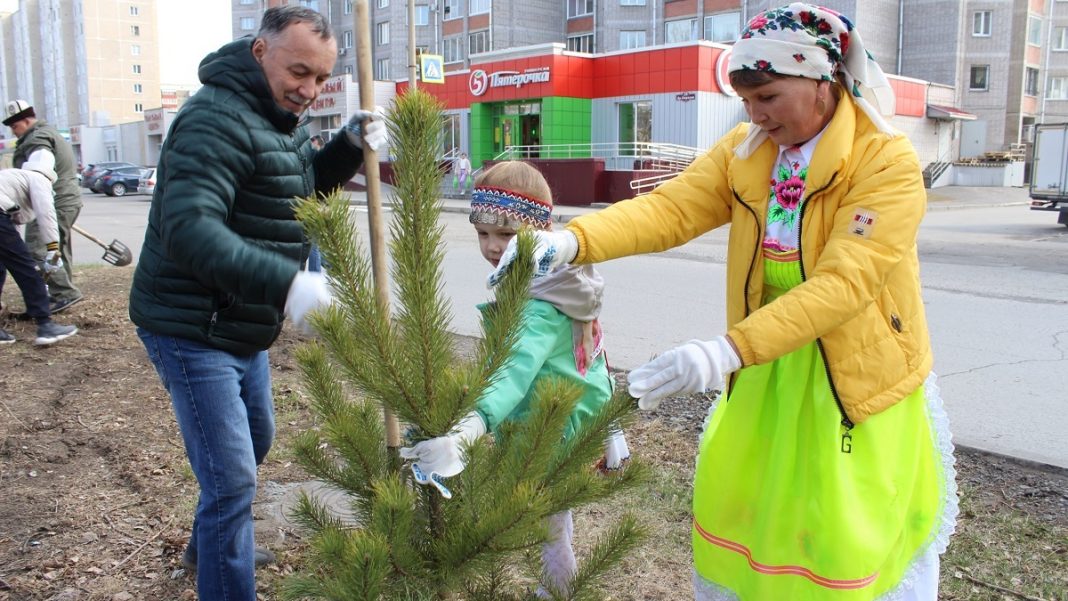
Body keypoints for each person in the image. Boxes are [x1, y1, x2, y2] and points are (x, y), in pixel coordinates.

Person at [488, 4, 957, 600]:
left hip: (850, 376)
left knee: (837, 522)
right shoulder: (747, 152)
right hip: (765, 367)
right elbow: (671, 209)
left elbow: (845, 284)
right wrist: (572, 241)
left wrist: (725, 351)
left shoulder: (884, 163)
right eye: (745, 98)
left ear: (821, 81)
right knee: (754, 507)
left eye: (768, 96)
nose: (755, 114)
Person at [127, 7, 386, 600]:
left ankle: (209, 545)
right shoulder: (211, 121)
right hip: (192, 324)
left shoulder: (278, 119)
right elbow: (191, 230)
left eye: (321, 79)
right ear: (259, 51)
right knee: (232, 477)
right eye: (299, 71)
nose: (308, 90)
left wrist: (346, 147)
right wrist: (287, 283)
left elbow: (288, 194)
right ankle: (225, 576)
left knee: (255, 441)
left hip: (239, 322)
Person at [400, 161, 628, 598]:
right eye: (482, 233)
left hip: (548, 430)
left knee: (549, 530)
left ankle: (557, 592)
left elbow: (513, 372)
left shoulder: (538, 305)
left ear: (539, 231)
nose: (491, 246)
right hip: (561, 419)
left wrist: (470, 428)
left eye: (505, 235)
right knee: (554, 521)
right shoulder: (561, 279)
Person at [3, 98, 84, 314]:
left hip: (53, 201)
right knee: (57, 248)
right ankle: (63, 293)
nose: (14, 132)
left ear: (27, 120)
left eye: (15, 126)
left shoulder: (37, 139)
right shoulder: (47, 132)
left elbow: (40, 171)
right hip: (68, 199)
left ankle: (63, 293)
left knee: (35, 249)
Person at [0, 150, 78, 345]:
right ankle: (46, 325)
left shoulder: (15, 177)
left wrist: (16, 252)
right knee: (28, 270)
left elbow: (12, 223)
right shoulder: (38, 179)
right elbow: (47, 214)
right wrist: (53, 248)